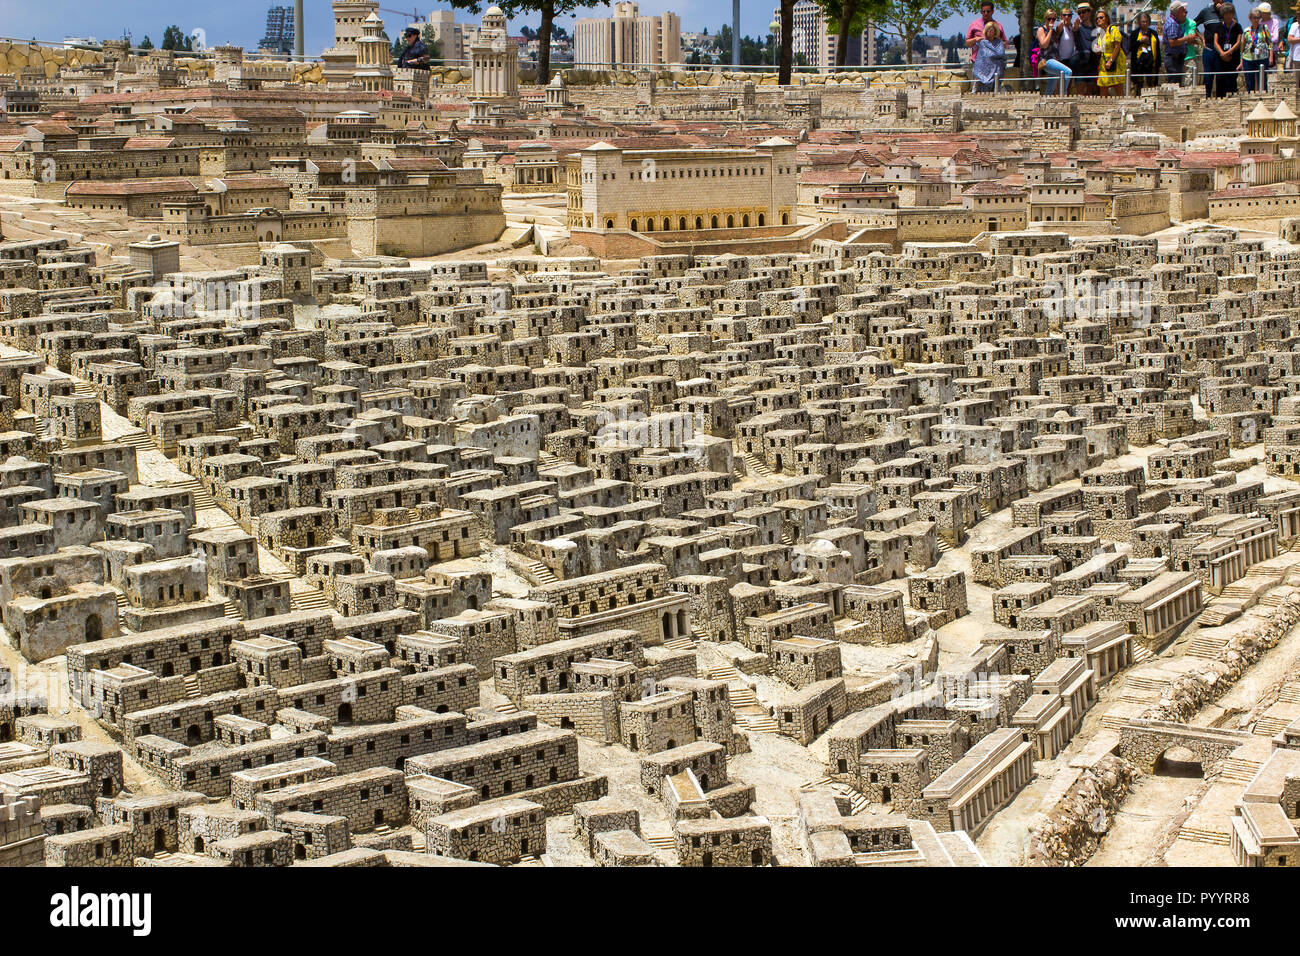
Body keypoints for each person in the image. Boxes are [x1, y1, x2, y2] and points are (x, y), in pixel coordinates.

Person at [966, 1, 1004, 87]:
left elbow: (1004, 43)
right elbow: (967, 43)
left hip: (994, 66)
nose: (985, 13)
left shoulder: (998, 26)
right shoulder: (974, 25)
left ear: (992, 11)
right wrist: (976, 39)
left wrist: (994, 41)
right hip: (978, 63)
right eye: (983, 11)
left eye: (988, 11)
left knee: (994, 90)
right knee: (977, 90)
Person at [1210, 2, 1244, 96]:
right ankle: (1219, 100)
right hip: (1220, 58)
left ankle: (1232, 100)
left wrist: (1229, 52)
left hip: (1233, 57)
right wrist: (1222, 53)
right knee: (1220, 80)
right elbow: (1215, 42)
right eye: (1226, 13)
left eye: (1230, 13)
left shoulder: (1238, 27)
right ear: (1223, 14)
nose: (1228, 15)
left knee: (1232, 80)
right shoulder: (1218, 26)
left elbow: (1238, 42)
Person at [1038, 9, 1074, 92]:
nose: (1051, 21)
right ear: (1045, 19)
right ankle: (1063, 95)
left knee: (1050, 89)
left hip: (1055, 59)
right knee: (1068, 72)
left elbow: (1059, 30)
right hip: (1047, 61)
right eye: (1049, 19)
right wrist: (1050, 30)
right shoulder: (1041, 29)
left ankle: (1047, 101)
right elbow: (1044, 44)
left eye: (1053, 19)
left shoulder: (1054, 31)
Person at [1163, 1, 1198, 83]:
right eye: (1182, 10)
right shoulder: (1172, 24)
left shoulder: (1172, 22)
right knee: (1174, 83)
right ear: (1178, 11)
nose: (1184, 12)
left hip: (1176, 58)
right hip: (1173, 58)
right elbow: (1172, 42)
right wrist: (1187, 38)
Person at [1196, 0, 1224, 95]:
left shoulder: (1228, 10)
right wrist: (1201, 37)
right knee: (1208, 76)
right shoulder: (1206, 12)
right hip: (1209, 47)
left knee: (1221, 77)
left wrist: (1223, 11)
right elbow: (1193, 24)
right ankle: (1207, 98)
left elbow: (1235, 24)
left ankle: (1221, 100)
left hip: (1223, 49)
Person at [1071, 3, 1100, 94]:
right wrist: (1075, 28)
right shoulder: (1077, 28)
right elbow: (1074, 32)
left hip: (1092, 62)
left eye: (1084, 12)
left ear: (1089, 12)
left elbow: (1098, 48)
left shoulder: (1096, 30)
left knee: (1090, 91)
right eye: (1079, 13)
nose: (1082, 15)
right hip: (1080, 62)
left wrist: (1098, 48)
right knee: (1080, 90)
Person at [1096, 8, 1126, 95]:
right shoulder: (1100, 33)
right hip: (1104, 62)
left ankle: (1123, 106)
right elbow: (1100, 49)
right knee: (1102, 85)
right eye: (1097, 18)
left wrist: (1111, 61)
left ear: (1107, 18)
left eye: (1101, 17)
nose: (1099, 20)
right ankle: (1103, 106)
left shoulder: (1113, 30)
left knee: (1117, 85)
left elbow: (1117, 46)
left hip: (1115, 61)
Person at [1243, 7, 1273, 91]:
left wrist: (1271, 57)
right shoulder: (1246, 30)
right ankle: (1250, 98)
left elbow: (1270, 43)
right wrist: (1241, 61)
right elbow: (1243, 47)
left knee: (1263, 80)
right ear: (1250, 18)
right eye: (1254, 17)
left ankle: (1263, 98)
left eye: (1258, 17)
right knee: (1249, 81)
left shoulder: (1264, 28)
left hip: (1262, 57)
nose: (1256, 20)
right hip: (1248, 58)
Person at [1129, 11, 1161, 90]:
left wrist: (1159, 64)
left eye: (1147, 22)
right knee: (1138, 87)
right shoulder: (1134, 33)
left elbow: (1158, 49)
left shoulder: (1153, 33)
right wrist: (1140, 41)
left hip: (1151, 64)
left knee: (1152, 87)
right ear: (1139, 22)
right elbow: (1130, 47)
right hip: (1138, 65)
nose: (1145, 23)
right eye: (1143, 22)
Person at [973, 21, 1008, 91]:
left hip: (997, 69)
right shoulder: (983, 43)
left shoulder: (999, 42)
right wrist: (993, 55)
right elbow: (982, 57)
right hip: (984, 70)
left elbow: (1001, 54)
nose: (990, 31)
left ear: (995, 31)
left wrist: (992, 55)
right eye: (988, 29)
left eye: (992, 30)